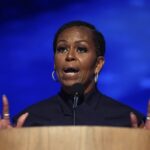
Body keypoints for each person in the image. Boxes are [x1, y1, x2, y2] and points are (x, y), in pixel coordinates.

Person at [0, 20, 150, 129]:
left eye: (81, 49)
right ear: (54, 62)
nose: (69, 56)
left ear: (98, 64)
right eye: (62, 49)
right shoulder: (28, 120)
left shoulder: (128, 121)